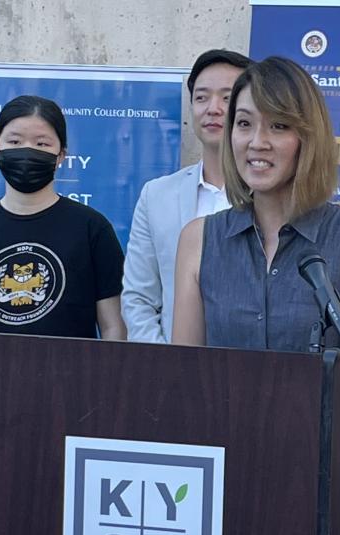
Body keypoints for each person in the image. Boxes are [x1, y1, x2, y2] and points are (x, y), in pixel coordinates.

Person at [0, 96, 126, 483]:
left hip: (76, 407)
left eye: (42, 144)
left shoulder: (92, 229)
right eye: (15, 141)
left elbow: (113, 328)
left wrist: (108, 408)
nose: (27, 152)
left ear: (61, 155)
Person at [171, 56, 340, 367]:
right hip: (220, 416)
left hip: (319, 417)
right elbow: (183, 375)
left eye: (278, 126)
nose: (258, 142)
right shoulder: (198, 239)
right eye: (244, 124)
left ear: (308, 137)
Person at [122, 49, 251, 342]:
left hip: (251, 370)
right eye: (202, 97)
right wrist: (167, 363)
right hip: (171, 370)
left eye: (227, 98)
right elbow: (139, 298)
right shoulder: (157, 195)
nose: (213, 109)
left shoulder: (273, 198)